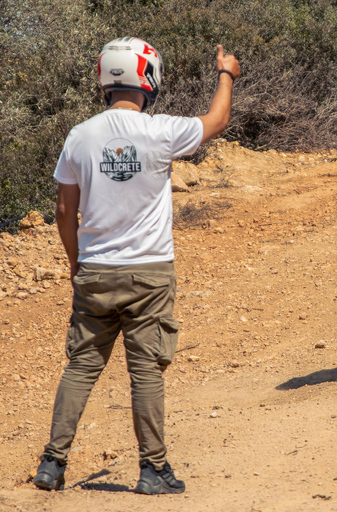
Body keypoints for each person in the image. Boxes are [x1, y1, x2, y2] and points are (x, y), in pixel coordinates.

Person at [32, 37, 240, 495]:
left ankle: (51, 463)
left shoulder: (79, 135)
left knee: (81, 366)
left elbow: (65, 212)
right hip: (149, 271)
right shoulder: (160, 130)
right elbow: (218, 119)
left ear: (105, 78)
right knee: (145, 371)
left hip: (95, 270)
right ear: (149, 79)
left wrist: (75, 264)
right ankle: (153, 470)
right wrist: (227, 71)